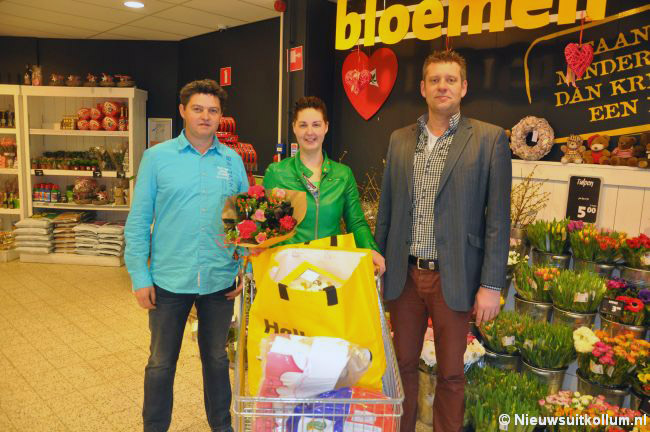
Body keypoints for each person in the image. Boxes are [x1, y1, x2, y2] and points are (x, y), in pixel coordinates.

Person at [375, 50, 511, 432]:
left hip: (455, 277)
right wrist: (378, 264)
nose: (442, 87)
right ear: (423, 88)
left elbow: (498, 221)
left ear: (464, 87)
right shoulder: (400, 140)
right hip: (404, 276)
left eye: (450, 80)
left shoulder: (489, 139)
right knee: (401, 367)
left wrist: (491, 285)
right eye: (434, 80)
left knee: (451, 374)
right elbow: (387, 209)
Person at [125, 79, 249, 432]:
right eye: (198, 109)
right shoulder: (156, 158)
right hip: (169, 279)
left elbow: (245, 221)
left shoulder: (232, 161)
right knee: (161, 363)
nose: (205, 116)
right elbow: (138, 221)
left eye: (213, 110)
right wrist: (140, 277)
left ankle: (222, 427)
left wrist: (244, 266)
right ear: (182, 111)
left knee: (216, 359)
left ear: (221, 116)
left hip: (218, 280)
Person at [263, 96, 385, 273]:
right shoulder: (277, 173)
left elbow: (356, 223)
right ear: (294, 127)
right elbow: (265, 226)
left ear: (326, 127)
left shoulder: (343, 175)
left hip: (330, 271)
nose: (309, 132)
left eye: (316, 125)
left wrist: (371, 249)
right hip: (288, 271)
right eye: (303, 125)